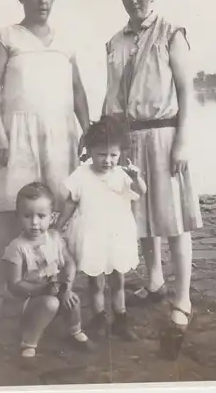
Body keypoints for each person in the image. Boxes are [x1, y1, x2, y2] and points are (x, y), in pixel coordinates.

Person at [0, 0, 89, 320]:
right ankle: (0, 286)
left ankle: (56, 282)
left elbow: (77, 91)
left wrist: (87, 129)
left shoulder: (66, 41)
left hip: (60, 136)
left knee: (59, 209)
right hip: (18, 134)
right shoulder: (6, 36)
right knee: (13, 213)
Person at [102, 0, 203, 341]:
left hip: (164, 134)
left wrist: (182, 140)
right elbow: (111, 96)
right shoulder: (114, 42)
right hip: (129, 138)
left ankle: (182, 299)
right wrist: (105, 140)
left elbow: (186, 91)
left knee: (173, 219)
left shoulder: (171, 33)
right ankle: (156, 281)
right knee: (140, 216)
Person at [56, 116, 147, 341]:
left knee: (118, 280)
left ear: (120, 154)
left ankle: (120, 319)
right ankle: (98, 318)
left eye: (113, 155)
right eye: (101, 155)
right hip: (92, 235)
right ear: (90, 151)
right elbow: (71, 201)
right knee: (95, 281)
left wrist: (137, 179)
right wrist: (58, 225)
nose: (107, 160)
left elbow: (141, 192)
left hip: (116, 235)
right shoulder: (82, 174)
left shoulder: (123, 175)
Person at [3, 182, 92, 358]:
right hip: (27, 300)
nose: (35, 223)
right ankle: (28, 342)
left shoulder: (55, 238)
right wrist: (41, 289)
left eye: (41, 216)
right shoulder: (16, 248)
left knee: (72, 298)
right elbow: (14, 285)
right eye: (27, 216)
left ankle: (75, 331)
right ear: (18, 217)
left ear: (51, 218)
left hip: (54, 289)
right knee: (50, 303)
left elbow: (69, 262)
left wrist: (66, 286)